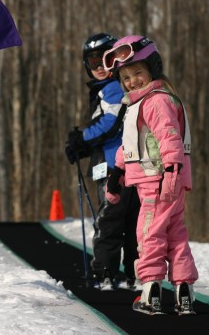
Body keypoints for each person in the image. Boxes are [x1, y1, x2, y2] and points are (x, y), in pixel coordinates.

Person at [102, 35, 199, 315]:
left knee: (149, 234)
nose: (132, 81)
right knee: (175, 235)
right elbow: (130, 144)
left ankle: (150, 291)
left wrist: (171, 172)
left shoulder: (156, 101)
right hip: (165, 180)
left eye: (138, 73)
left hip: (157, 181)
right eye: (126, 77)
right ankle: (184, 292)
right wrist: (117, 172)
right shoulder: (143, 102)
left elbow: (169, 139)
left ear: (153, 70)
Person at [64, 33, 140, 291]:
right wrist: (84, 146)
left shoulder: (114, 88)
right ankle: (130, 274)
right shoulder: (106, 89)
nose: (98, 66)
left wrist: (82, 138)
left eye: (103, 60)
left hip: (115, 167)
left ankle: (107, 273)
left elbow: (110, 123)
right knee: (126, 221)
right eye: (92, 61)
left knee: (110, 219)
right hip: (113, 163)